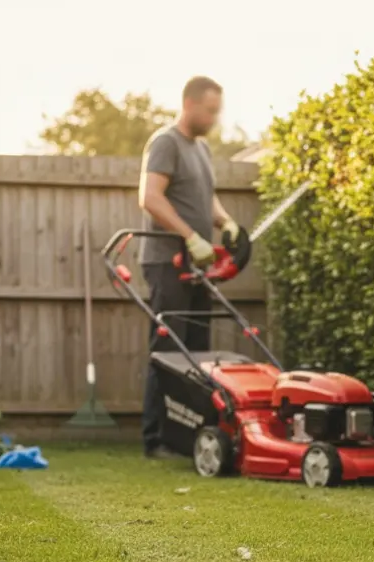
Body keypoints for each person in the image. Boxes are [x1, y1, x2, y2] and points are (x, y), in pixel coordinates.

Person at [137, 76, 240, 459]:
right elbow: (150, 198)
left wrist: (225, 223)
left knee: (197, 352)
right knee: (168, 350)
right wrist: (190, 236)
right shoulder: (166, 142)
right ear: (190, 104)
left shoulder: (202, 149)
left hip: (196, 266)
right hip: (167, 261)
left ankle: (191, 436)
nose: (214, 119)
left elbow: (205, 198)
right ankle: (156, 439)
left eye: (217, 111)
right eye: (210, 111)